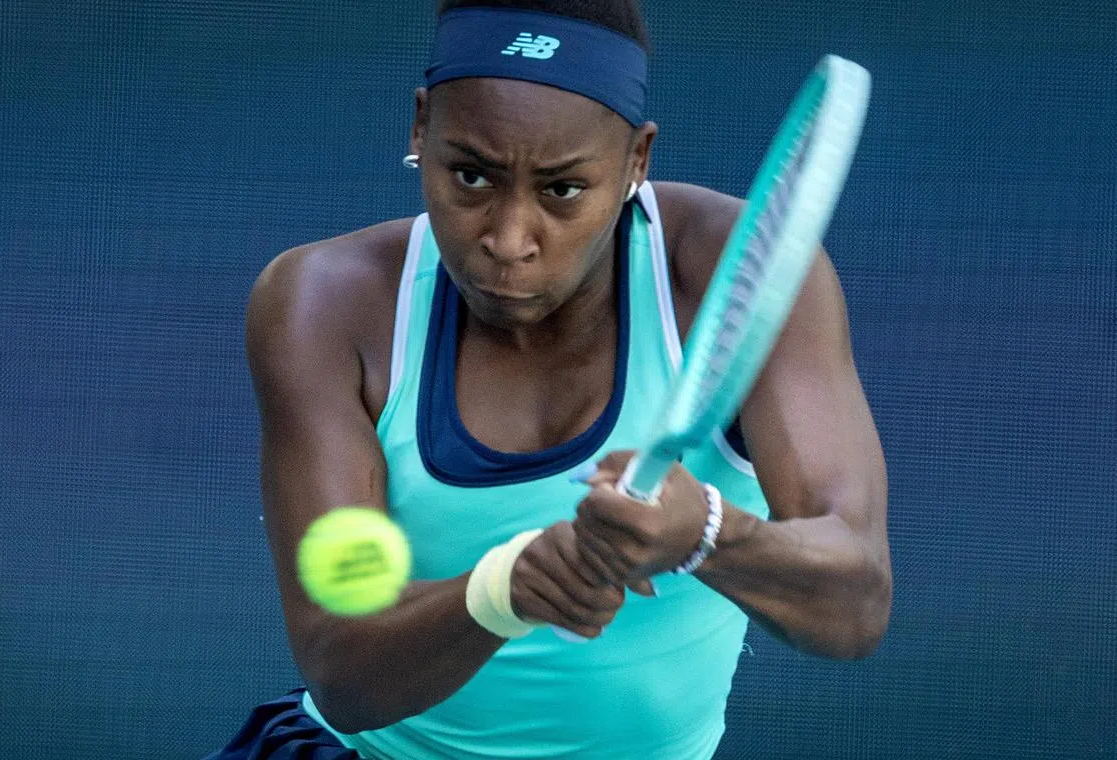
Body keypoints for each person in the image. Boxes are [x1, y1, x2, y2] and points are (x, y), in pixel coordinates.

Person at [205, 1, 892, 757]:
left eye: (562, 189)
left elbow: (854, 608)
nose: (508, 239)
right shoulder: (323, 305)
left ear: (637, 160)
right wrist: (504, 591)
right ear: (420, 127)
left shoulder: (737, 276)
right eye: (471, 176)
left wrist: (706, 534)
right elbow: (342, 670)